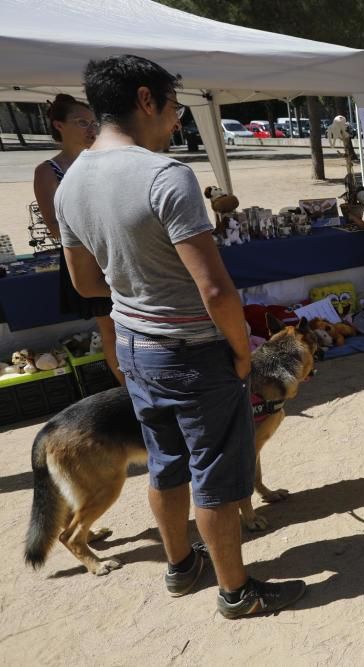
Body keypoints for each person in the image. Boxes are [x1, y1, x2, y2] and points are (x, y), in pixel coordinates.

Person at [56, 55, 305, 617]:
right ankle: (236, 591)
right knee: (214, 475)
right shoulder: (165, 176)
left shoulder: (70, 182)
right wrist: (243, 355)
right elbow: (217, 291)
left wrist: (134, 281)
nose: (176, 120)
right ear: (146, 100)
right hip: (192, 351)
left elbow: (84, 281)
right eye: (174, 107)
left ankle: (180, 566)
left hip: (136, 347)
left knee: (166, 463)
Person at [32, 94, 123, 385]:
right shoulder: (48, 171)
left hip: (120, 251)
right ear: (59, 125)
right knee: (110, 329)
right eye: (81, 122)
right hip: (87, 257)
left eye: (93, 122)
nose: (90, 128)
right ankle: (131, 395)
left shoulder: (105, 161)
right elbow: (56, 229)